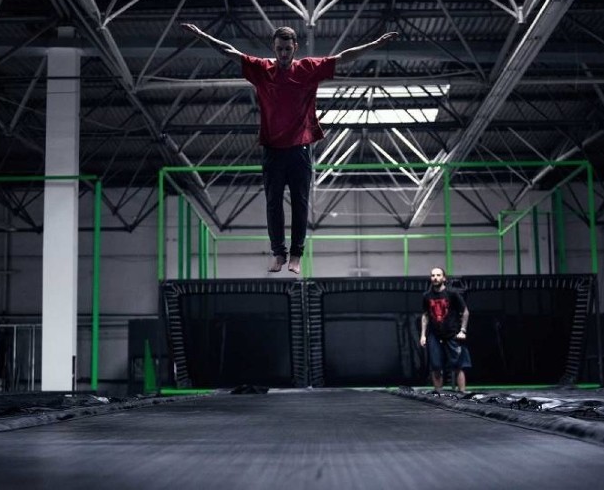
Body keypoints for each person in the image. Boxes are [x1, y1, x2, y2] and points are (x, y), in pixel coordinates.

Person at [181, 23, 398, 274]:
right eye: (279, 49)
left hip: (299, 148)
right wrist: (203, 35)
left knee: (300, 203)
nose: (283, 54)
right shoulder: (262, 69)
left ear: (295, 48)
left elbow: (342, 57)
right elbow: (230, 51)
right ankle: (278, 254)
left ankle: (296, 255)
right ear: (274, 48)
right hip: (272, 148)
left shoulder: (308, 68)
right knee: (273, 203)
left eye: (287, 49)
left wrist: (374, 45)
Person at [419, 266, 471, 393]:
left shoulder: (452, 294)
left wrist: (462, 331)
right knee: (436, 366)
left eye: (438, 275)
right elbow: (425, 315)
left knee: (458, 365)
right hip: (434, 334)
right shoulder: (427, 296)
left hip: (452, 333)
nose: (435, 278)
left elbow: (465, 312)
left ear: (444, 278)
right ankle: (438, 394)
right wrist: (423, 335)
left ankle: (462, 393)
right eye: (433, 275)